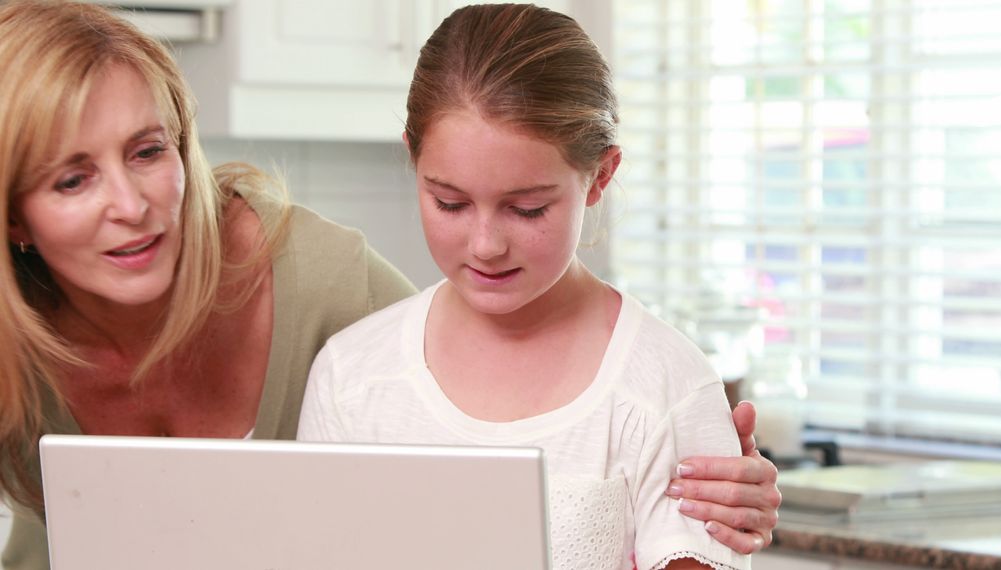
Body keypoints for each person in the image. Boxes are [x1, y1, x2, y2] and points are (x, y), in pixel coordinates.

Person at [0, 2, 777, 568]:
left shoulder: (319, 287)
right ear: (13, 219)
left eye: (147, 151)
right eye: (72, 179)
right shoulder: (358, 369)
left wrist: (706, 446)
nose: (131, 206)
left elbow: (470, 367)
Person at [297, 4, 777, 569]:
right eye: (449, 202)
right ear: (412, 158)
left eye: (526, 209)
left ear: (599, 176)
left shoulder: (667, 389)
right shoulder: (351, 376)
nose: (485, 244)